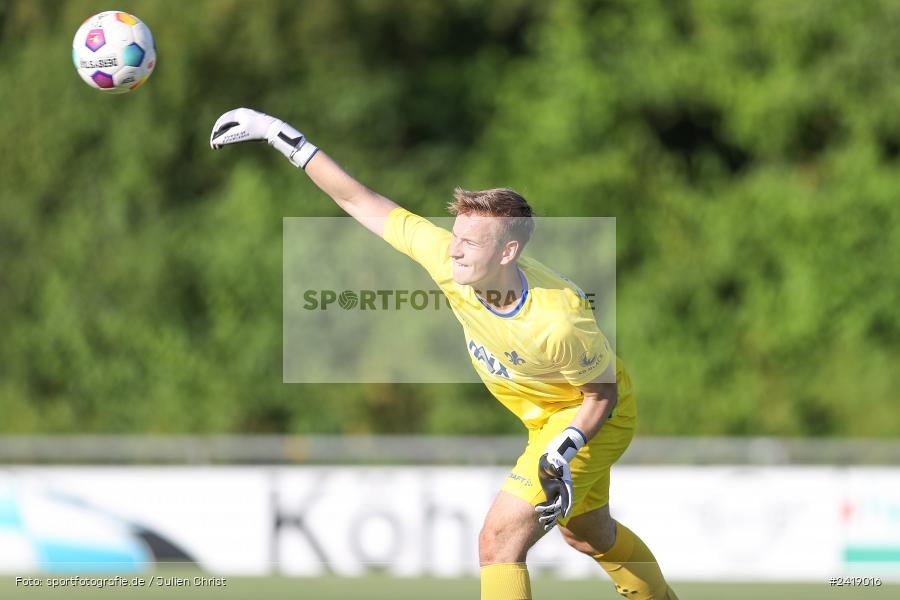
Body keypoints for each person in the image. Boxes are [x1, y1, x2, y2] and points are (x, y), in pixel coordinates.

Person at [210, 108, 679, 600]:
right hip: (547, 418)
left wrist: (565, 448)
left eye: (470, 243)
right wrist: (278, 135)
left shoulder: (558, 319)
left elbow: (601, 395)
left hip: (590, 416)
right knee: (588, 535)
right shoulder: (449, 257)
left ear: (507, 253)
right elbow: (358, 199)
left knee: (498, 542)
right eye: (455, 236)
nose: (454, 251)